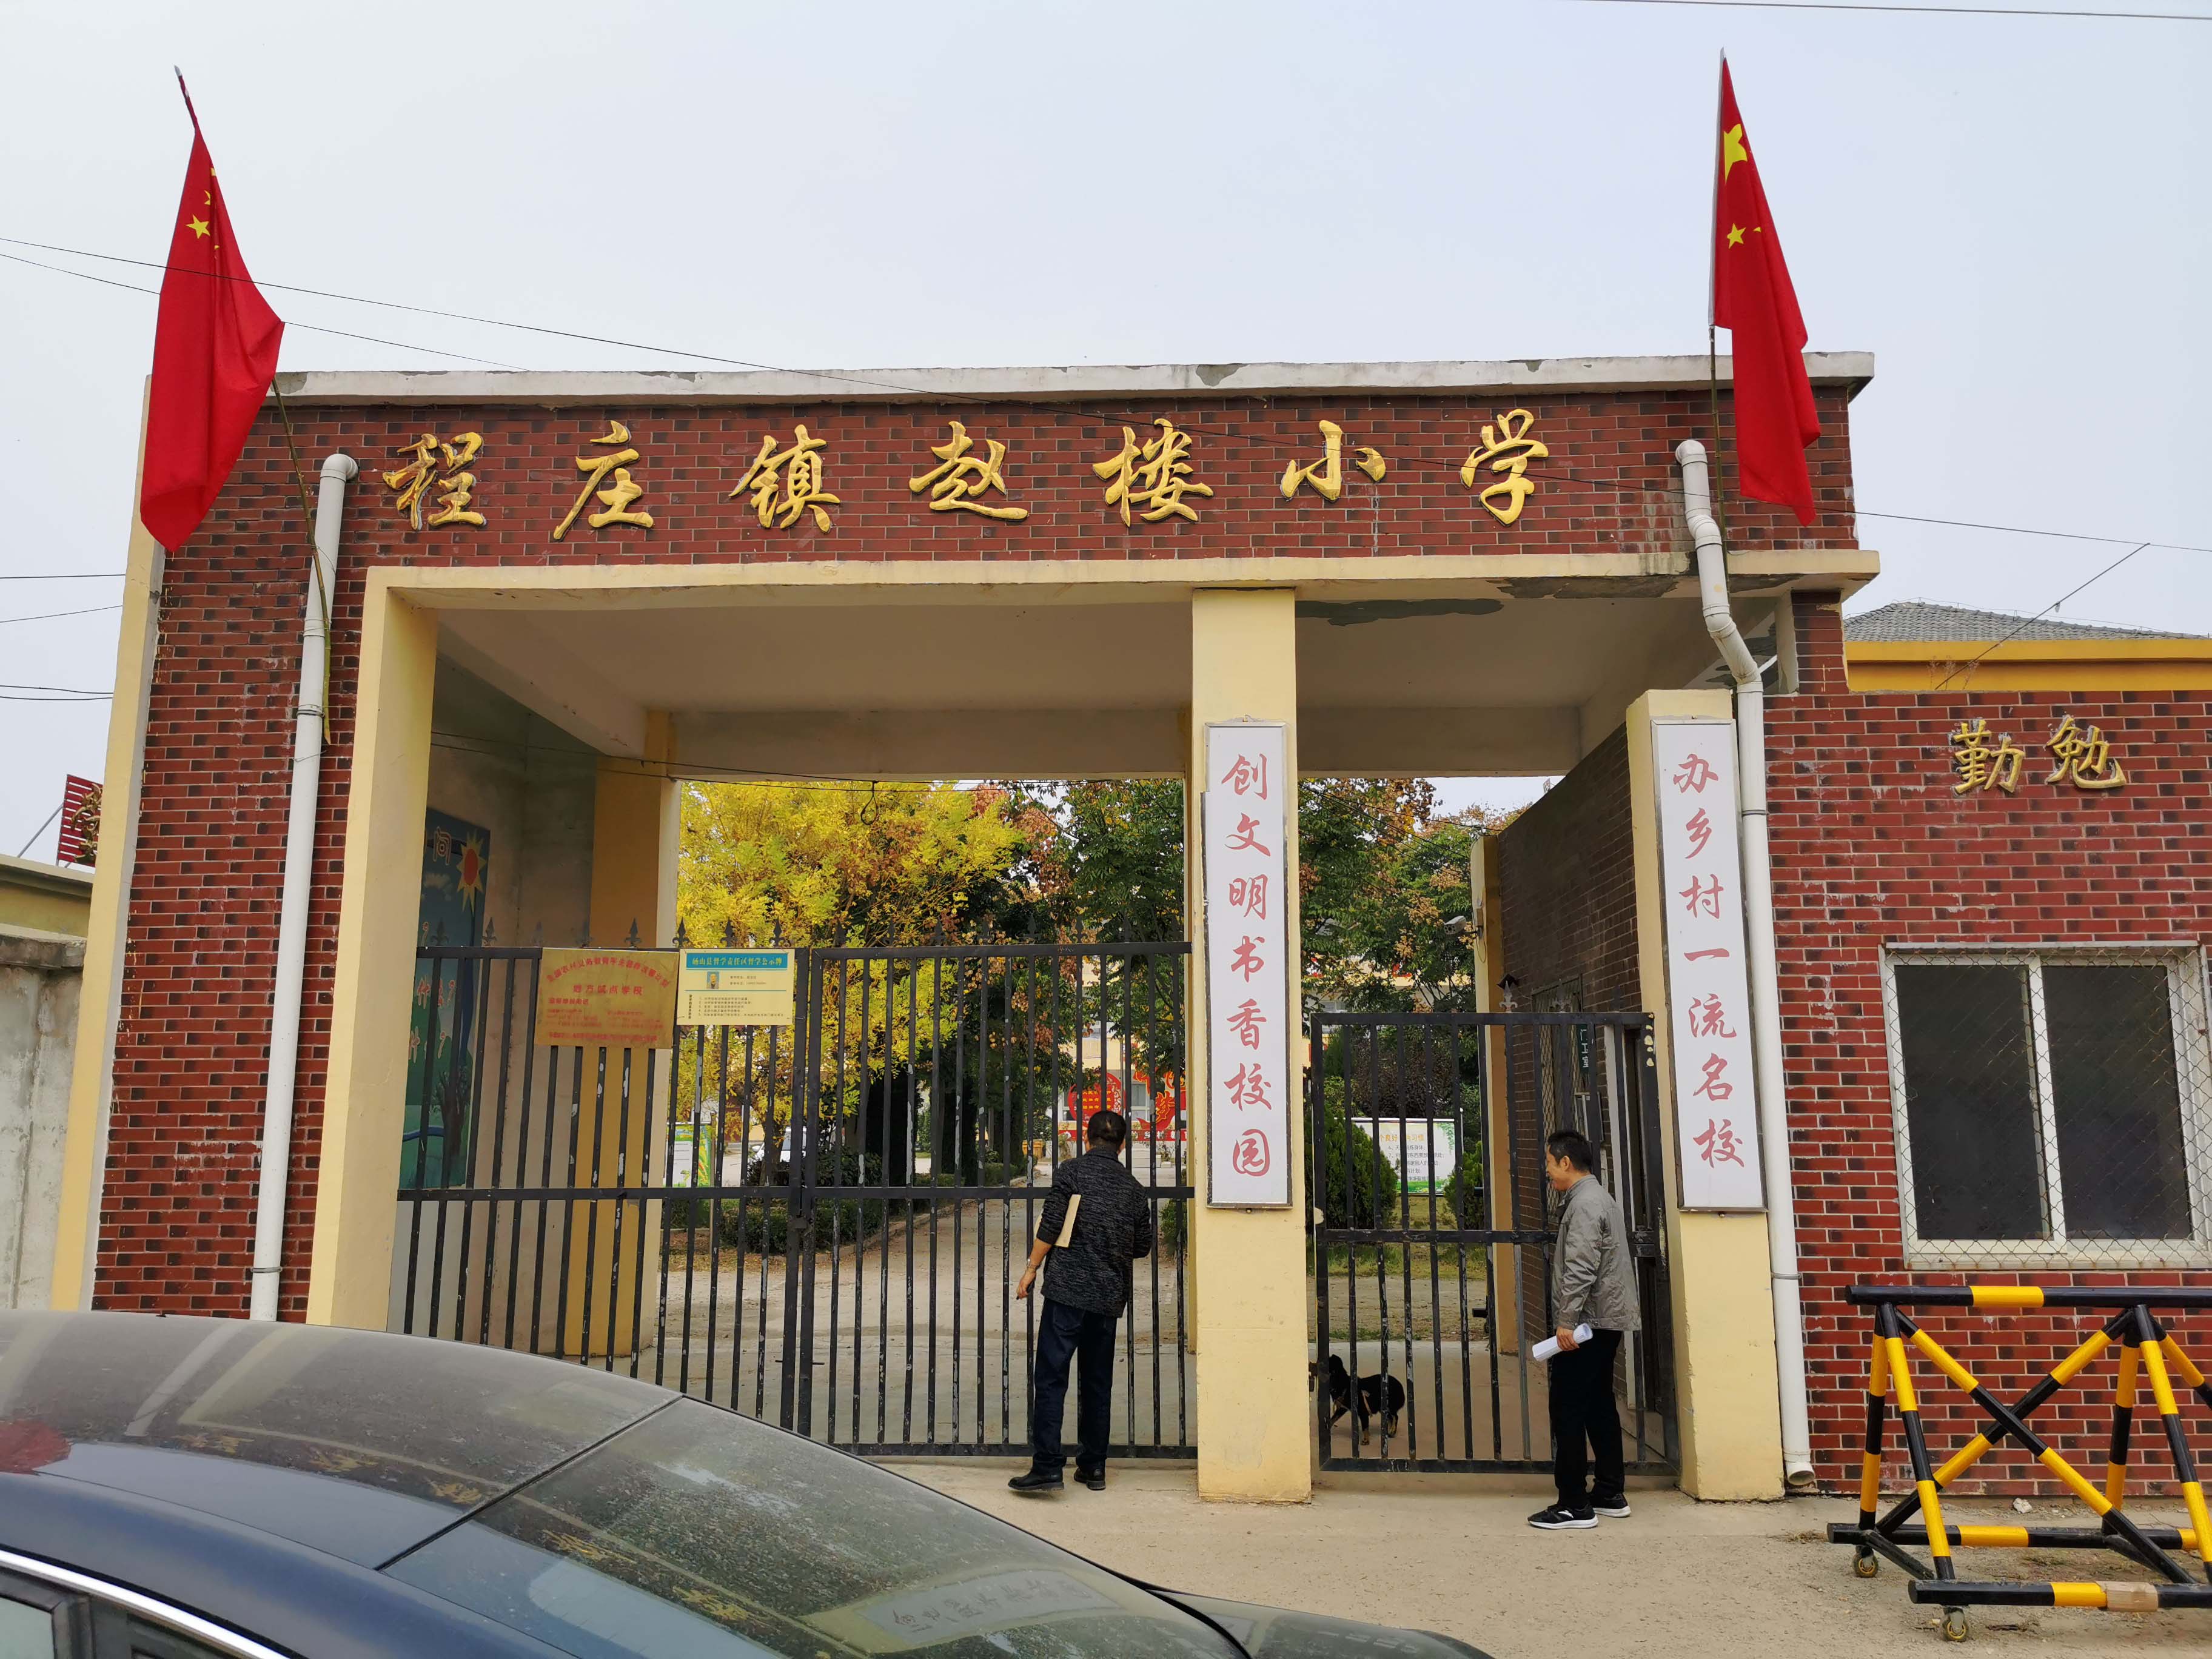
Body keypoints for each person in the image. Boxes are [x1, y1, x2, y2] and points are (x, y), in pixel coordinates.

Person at [1009, 1108, 1154, 1494]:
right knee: (1097, 1382)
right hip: (1108, 1298)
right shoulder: (1133, 1189)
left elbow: (1051, 1224)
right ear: (1123, 1145)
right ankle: (1093, 1467)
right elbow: (1142, 1246)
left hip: (1066, 1294)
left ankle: (1047, 1466)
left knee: (1052, 1377)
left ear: (1087, 1139)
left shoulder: (1071, 1173)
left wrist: (1031, 1268)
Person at [1528, 1127, 1640, 1531]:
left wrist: (1566, 1321)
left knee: (1568, 1408)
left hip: (1588, 1324)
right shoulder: (1597, 1198)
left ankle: (1574, 1504)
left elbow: (1580, 1266)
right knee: (1598, 1404)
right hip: (1604, 1320)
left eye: (1548, 1162)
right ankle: (1609, 1492)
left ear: (1565, 1162)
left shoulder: (1586, 1204)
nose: (1547, 1171)